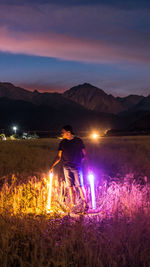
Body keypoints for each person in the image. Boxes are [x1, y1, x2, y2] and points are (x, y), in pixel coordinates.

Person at [49, 125, 89, 212]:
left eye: (63, 132)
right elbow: (59, 157)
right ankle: (73, 205)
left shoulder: (78, 141)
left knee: (80, 186)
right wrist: (52, 166)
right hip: (66, 167)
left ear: (68, 132)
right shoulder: (62, 143)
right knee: (70, 187)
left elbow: (84, 154)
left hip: (77, 167)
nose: (61, 134)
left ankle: (86, 205)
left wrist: (87, 165)